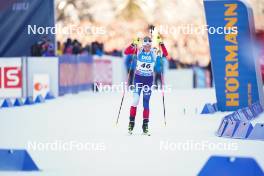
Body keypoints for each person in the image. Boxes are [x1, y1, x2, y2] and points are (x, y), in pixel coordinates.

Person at [124, 35, 168, 135]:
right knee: (135, 101)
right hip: (138, 79)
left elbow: (165, 54)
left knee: (146, 102)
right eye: (145, 46)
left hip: (148, 80)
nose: (147, 47)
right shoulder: (138, 50)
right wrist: (133, 44)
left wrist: (161, 44)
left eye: (149, 46)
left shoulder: (154, 52)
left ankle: (145, 126)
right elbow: (126, 52)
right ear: (143, 45)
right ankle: (131, 123)